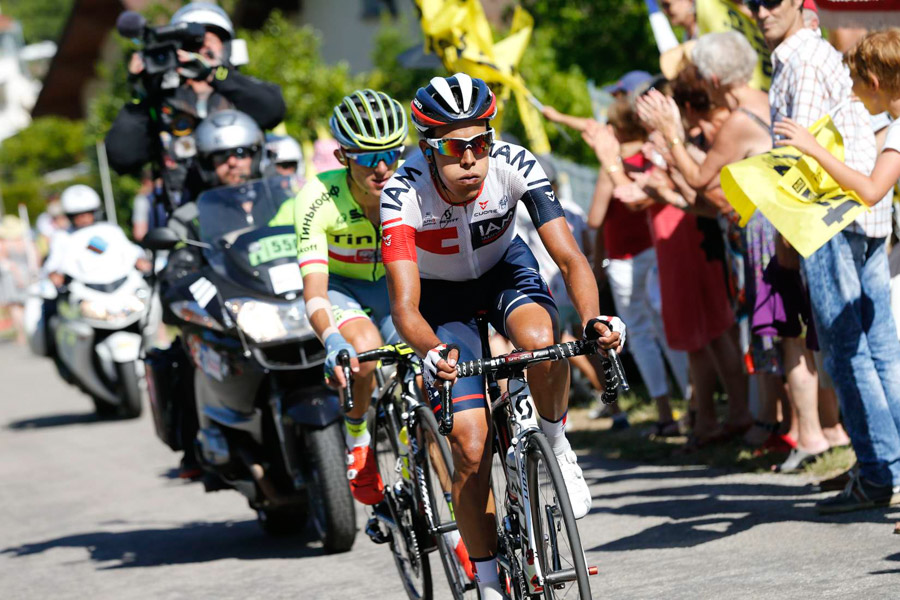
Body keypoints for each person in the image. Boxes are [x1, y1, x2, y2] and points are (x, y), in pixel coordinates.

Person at [380, 73, 624, 599]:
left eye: (480, 143)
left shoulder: (515, 166)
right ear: (429, 148)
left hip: (503, 272)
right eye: (454, 147)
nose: (470, 159)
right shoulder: (402, 193)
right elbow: (403, 304)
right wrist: (434, 351)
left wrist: (594, 320)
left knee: (543, 338)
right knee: (469, 444)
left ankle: (556, 444)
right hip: (439, 299)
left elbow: (569, 257)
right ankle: (488, 582)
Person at [748, 0, 899, 513]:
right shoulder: (811, 56)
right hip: (860, 219)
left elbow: (801, 161)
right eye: (752, 2)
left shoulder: (804, 60)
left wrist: (789, 241)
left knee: (847, 351)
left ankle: (880, 473)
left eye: (770, 0)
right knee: (879, 350)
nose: (759, 9)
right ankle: (886, 465)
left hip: (831, 222)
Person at [273, 90, 409, 508]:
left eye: (392, 153)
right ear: (342, 156)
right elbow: (313, 290)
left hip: (392, 287)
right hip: (342, 288)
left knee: (425, 372)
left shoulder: (412, 185)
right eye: (368, 157)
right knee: (364, 354)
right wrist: (332, 338)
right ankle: (358, 439)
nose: (382, 168)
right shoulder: (316, 197)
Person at [544, 98, 689, 435]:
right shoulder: (654, 153)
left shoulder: (615, 163)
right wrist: (558, 114)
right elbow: (588, 126)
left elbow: (595, 218)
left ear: (617, 128)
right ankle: (693, 406)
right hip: (658, 250)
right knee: (670, 331)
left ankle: (666, 412)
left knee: (641, 336)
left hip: (626, 261)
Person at [105, 3, 284, 201]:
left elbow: (273, 110)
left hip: (254, 202)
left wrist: (214, 75)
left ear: (225, 49)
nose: (197, 53)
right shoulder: (163, 103)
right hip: (190, 216)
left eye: (206, 48)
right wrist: (142, 96)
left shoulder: (241, 91)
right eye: (190, 47)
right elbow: (122, 158)